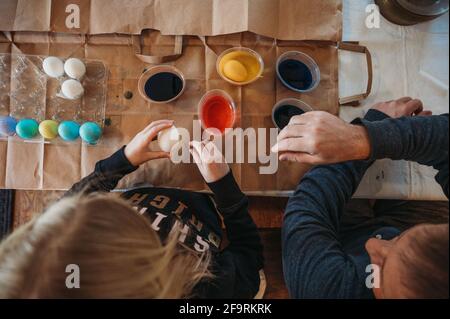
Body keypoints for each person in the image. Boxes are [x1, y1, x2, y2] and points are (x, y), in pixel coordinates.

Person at [0, 120, 263, 299]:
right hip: (205, 217)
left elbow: (75, 201)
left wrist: (122, 162)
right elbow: (249, 254)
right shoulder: (205, 288)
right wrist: (224, 187)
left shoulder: (55, 243)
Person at [272, 97, 449, 299]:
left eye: (382, 267)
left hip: (342, 248)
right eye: (399, 240)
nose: (373, 244)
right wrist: (366, 139)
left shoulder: (325, 291)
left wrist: (371, 128)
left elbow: (307, 209)